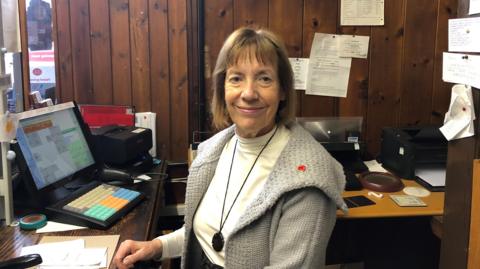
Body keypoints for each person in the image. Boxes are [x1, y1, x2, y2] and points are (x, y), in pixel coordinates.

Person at [113, 27, 347, 269]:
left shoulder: (308, 180)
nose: (248, 93)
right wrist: (156, 247)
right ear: (223, 88)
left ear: (283, 91)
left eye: (264, 78)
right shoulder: (212, 152)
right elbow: (206, 235)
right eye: (236, 78)